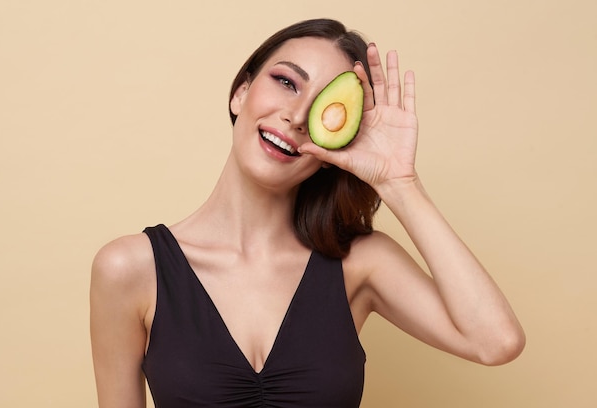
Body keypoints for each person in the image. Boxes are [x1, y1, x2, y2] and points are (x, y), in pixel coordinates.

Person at [90, 18, 525, 408]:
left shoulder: (359, 263)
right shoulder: (130, 269)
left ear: (341, 140)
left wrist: (399, 183)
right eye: (286, 82)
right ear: (241, 92)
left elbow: (496, 342)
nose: (296, 116)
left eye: (324, 108)